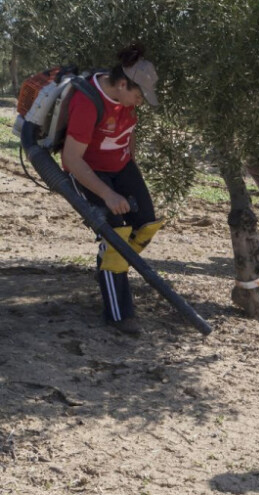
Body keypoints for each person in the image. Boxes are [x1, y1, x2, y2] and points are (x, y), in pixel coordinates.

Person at [61, 43, 162, 337]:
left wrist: (131, 169)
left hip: (121, 166)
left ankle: (108, 263)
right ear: (121, 84)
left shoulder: (125, 99)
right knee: (116, 234)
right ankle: (119, 315)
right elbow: (71, 159)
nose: (140, 103)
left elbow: (128, 132)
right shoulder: (87, 102)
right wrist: (108, 194)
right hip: (89, 171)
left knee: (146, 224)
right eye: (138, 96)